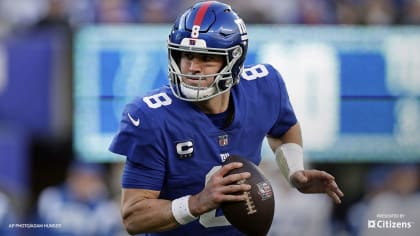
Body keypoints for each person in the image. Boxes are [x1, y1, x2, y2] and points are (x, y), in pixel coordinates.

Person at [109, 1, 344, 235]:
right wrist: (196, 203)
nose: (192, 68)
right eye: (186, 55)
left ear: (234, 59)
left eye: (206, 58)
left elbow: (284, 127)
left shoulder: (264, 86)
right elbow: (133, 216)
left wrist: (293, 170)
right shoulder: (151, 116)